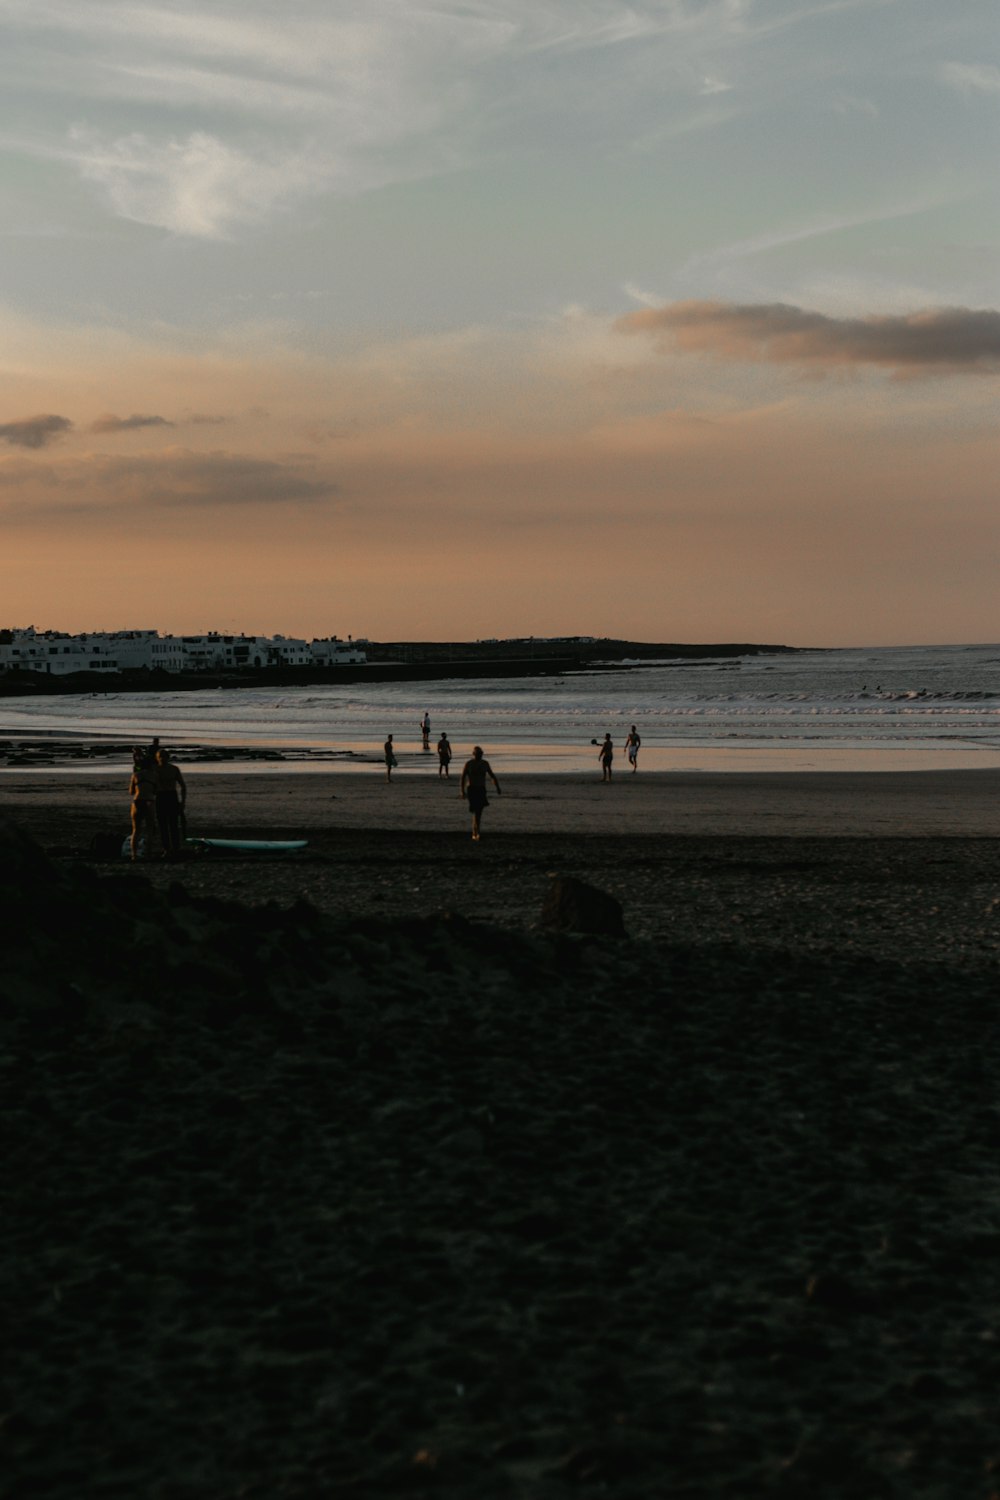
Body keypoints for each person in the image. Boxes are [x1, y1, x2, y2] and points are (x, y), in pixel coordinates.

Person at [460, 745, 501, 842]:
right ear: (474, 754)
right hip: (472, 789)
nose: (479, 755)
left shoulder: (485, 764)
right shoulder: (469, 764)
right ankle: (476, 832)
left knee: (479, 812)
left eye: (481, 754)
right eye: (477, 754)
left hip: (481, 789)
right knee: (476, 811)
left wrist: (497, 787)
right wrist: (462, 791)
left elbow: (492, 776)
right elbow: (463, 777)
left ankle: (476, 832)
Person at [154, 748, 187, 859]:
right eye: (160, 756)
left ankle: (175, 848)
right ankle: (166, 849)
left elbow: (183, 786)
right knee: (162, 825)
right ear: (157, 758)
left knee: (173, 824)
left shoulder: (174, 769)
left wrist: (183, 802)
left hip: (171, 796)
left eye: (164, 756)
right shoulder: (154, 770)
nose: (162, 759)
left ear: (168, 757)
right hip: (160, 796)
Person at [128, 746, 157, 860]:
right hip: (149, 800)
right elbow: (156, 790)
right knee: (149, 829)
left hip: (137, 801)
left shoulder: (136, 775)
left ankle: (134, 855)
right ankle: (148, 853)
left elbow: (131, 791)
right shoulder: (154, 775)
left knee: (136, 830)